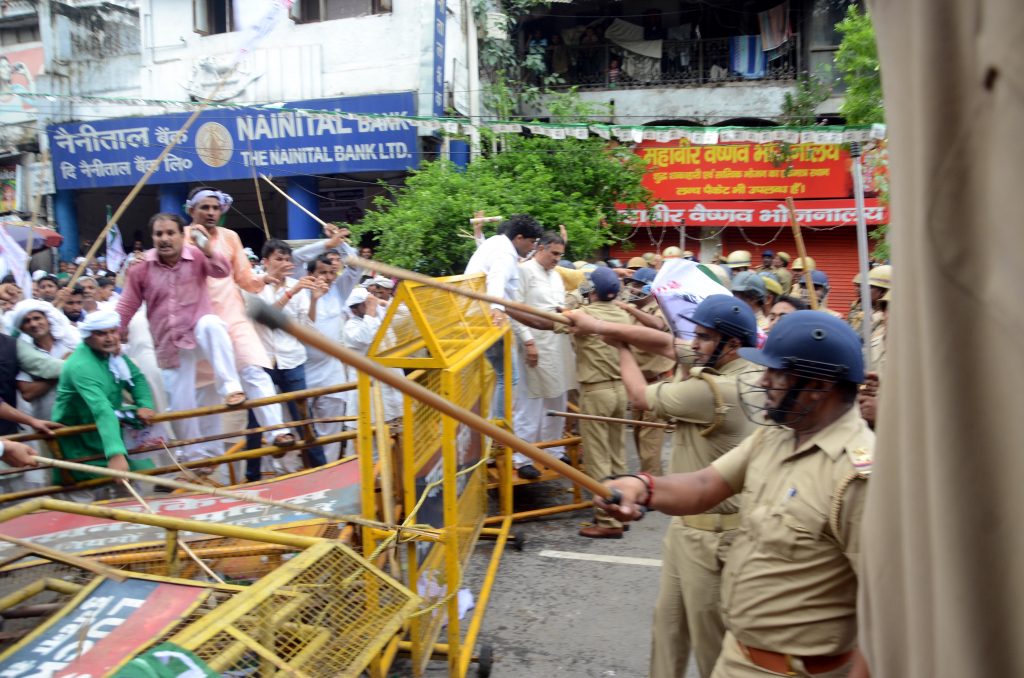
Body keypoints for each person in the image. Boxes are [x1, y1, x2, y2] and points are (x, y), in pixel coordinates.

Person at [600, 311, 871, 678]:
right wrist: (643, 487)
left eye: (777, 372)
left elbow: (890, 615)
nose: (763, 379)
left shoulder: (858, 478)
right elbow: (704, 486)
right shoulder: (776, 434)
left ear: (818, 387)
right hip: (737, 656)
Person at [569, 295, 761, 678]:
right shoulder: (731, 363)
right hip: (687, 530)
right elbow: (665, 344)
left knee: (713, 652)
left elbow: (639, 398)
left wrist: (620, 348)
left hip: (716, 538)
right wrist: (601, 328)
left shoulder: (718, 391)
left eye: (704, 337)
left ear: (731, 344)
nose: (695, 344)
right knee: (668, 629)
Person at [117, 212, 250, 464]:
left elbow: (223, 271)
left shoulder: (196, 255)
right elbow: (126, 305)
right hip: (170, 344)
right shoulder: (141, 268)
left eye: (170, 233)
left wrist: (208, 249)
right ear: (153, 237)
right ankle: (195, 459)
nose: (164, 239)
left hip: (198, 332)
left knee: (212, 325)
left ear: (181, 235)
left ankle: (231, 387)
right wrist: (113, 333)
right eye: (159, 234)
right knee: (180, 408)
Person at [183, 187, 294, 448]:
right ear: (191, 210)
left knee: (256, 369)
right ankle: (205, 458)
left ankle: (277, 432)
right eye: (205, 208)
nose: (211, 213)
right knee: (205, 390)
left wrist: (266, 278)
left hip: (232, 312)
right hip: (198, 319)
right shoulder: (180, 237)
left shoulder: (230, 237)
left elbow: (244, 278)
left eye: (215, 208)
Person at [243, 239, 327, 480]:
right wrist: (293, 292)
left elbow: (305, 325)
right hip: (262, 361)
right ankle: (252, 477)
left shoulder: (297, 287)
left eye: (287, 260)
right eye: (278, 259)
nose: (284, 264)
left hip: (292, 360)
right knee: (256, 424)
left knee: (304, 419)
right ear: (265, 262)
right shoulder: (254, 286)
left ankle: (319, 472)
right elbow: (264, 317)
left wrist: (314, 299)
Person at [51, 310, 157, 502]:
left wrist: (144, 405)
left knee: (129, 494)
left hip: (109, 433)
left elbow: (137, 378)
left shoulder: (113, 355)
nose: (109, 338)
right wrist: (115, 454)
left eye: (112, 332)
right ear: (88, 337)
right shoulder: (81, 365)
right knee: (84, 500)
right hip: (79, 440)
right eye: (101, 334)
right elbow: (101, 408)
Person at [567, 266, 632, 538]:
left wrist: (577, 294)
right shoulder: (623, 314)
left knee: (598, 459)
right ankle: (623, 512)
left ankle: (607, 521)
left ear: (591, 290)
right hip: (620, 390)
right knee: (618, 456)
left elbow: (553, 318)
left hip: (597, 392)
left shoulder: (584, 314)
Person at [464, 214, 544, 421]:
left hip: (475, 312)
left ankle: (497, 424)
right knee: (508, 376)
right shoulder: (506, 255)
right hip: (484, 316)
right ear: (519, 238)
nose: (532, 248)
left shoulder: (497, 242)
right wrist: (497, 308)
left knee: (502, 375)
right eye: (531, 242)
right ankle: (499, 430)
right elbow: (497, 278)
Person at [510, 232, 574, 479]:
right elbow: (513, 310)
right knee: (530, 402)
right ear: (541, 249)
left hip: (557, 344)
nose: (557, 259)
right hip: (533, 345)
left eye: (560, 255)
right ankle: (522, 457)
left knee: (557, 399)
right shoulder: (524, 271)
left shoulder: (556, 277)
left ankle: (553, 451)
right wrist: (528, 342)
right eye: (554, 253)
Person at [614, 266, 675, 476]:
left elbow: (658, 326)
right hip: (639, 384)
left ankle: (652, 486)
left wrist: (630, 309)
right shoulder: (632, 308)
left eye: (639, 285)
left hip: (658, 383)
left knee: (650, 438)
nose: (635, 289)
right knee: (639, 433)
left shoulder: (661, 308)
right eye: (634, 284)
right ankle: (646, 478)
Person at [302, 253, 352, 459]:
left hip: (330, 370)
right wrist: (325, 245)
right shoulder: (298, 292)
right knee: (300, 428)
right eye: (322, 272)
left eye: (332, 273)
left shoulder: (338, 292)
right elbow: (306, 323)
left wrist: (339, 243)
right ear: (310, 274)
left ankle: (328, 469)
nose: (328, 278)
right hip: (301, 370)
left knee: (330, 427)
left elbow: (355, 266)